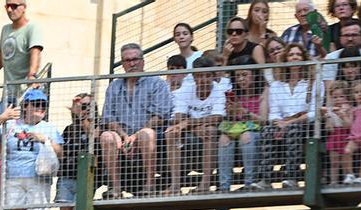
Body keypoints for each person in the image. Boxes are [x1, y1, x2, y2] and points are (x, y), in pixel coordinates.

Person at [99, 43, 173, 198]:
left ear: (143, 61)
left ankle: (149, 186)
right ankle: (116, 189)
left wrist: (135, 137)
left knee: (146, 134)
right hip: (123, 135)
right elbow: (108, 116)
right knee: (107, 136)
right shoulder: (114, 86)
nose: (132, 63)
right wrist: (124, 136)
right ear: (123, 63)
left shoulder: (157, 83)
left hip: (151, 135)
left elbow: (160, 115)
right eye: (127, 60)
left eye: (136, 59)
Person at [165, 56, 226, 195]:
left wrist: (188, 123)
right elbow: (178, 118)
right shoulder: (185, 90)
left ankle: (205, 183)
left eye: (207, 76)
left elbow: (217, 118)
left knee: (210, 130)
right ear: (193, 77)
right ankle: (175, 185)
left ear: (213, 76)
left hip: (211, 132)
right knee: (171, 132)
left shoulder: (219, 91)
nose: (203, 80)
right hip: (191, 131)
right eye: (199, 76)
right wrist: (195, 127)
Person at [0, 0, 45, 112]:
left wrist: (32, 76)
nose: (10, 10)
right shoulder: (6, 29)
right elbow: (1, 57)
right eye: (7, 6)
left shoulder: (32, 28)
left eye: (14, 6)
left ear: (24, 7)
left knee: (22, 128)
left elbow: (35, 52)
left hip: (26, 95)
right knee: (2, 125)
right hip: (8, 94)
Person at [263, 43, 316, 189]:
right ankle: (266, 179)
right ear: (286, 59)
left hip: (305, 124)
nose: (295, 57)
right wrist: (277, 122)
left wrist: (291, 121)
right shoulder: (277, 85)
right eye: (291, 55)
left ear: (304, 58)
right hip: (282, 123)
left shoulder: (313, 83)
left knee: (293, 128)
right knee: (267, 131)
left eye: (298, 55)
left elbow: (314, 112)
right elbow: (273, 112)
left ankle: (292, 177)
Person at [218, 63, 266, 192]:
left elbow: (264, 121)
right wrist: (231, 111)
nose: (241, 79)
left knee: (246, 136)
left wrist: (245, 112)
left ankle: (249, 183)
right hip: (237, 127)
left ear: (254, 76)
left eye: (245, 75)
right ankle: (224, 186)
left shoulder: (263, 92)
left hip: (256, 129)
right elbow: (231, 121)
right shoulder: (234, 94)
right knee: (223, 138)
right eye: (238, 76)